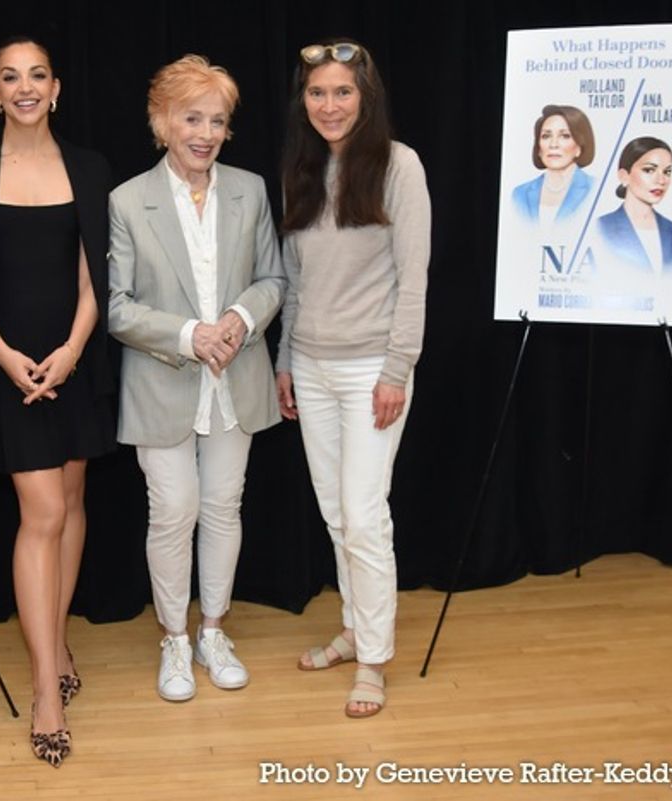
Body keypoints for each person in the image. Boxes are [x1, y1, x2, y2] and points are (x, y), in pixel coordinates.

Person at [0, 36, 115, 768]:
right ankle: (46, 687)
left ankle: (60, 637)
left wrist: (73, 350)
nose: (24, 87)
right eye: (10, 77)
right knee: (41, 514)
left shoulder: (90, 165)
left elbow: (92, 268)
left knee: (72, 503)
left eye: (36, 75)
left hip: (74, 360)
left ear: (57, 87)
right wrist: (5, 356)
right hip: (4, 362)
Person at [109, 55, 285, 704]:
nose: (205, 132)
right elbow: (119, 304)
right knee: (174, 510)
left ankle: (213, 630)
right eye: (192, 117)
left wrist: (239, 319)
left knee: (222, 507)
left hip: (237, 377)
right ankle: (174, 639)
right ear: (162, 122)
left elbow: (273, 278)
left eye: (217, 120)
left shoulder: (251, 190)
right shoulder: (128, 200)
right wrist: (190, 334)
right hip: (163, 381)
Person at [275, 39, 430, 718]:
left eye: (342, 92)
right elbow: (295, 280)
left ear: (365, 97)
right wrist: (283, 360)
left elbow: (414, 280)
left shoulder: (399, 166)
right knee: (338, 513)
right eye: (317, 93)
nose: (329, 105)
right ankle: (351, 628)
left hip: (374, 367)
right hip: (310, 365)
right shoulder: (302, 170)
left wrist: (398, 368)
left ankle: (374, 658)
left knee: (365, 516)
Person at [596, 137, 672, 273]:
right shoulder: (599, 229)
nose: (661, 180)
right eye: (649, 170)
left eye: (667, 172)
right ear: (624, 176)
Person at [511, 104, 595, 225]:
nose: (553, 144)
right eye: (546, 136)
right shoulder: (520, 194)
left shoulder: (595, 190)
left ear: (579, 147)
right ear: (539, 148)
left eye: (565, 136)